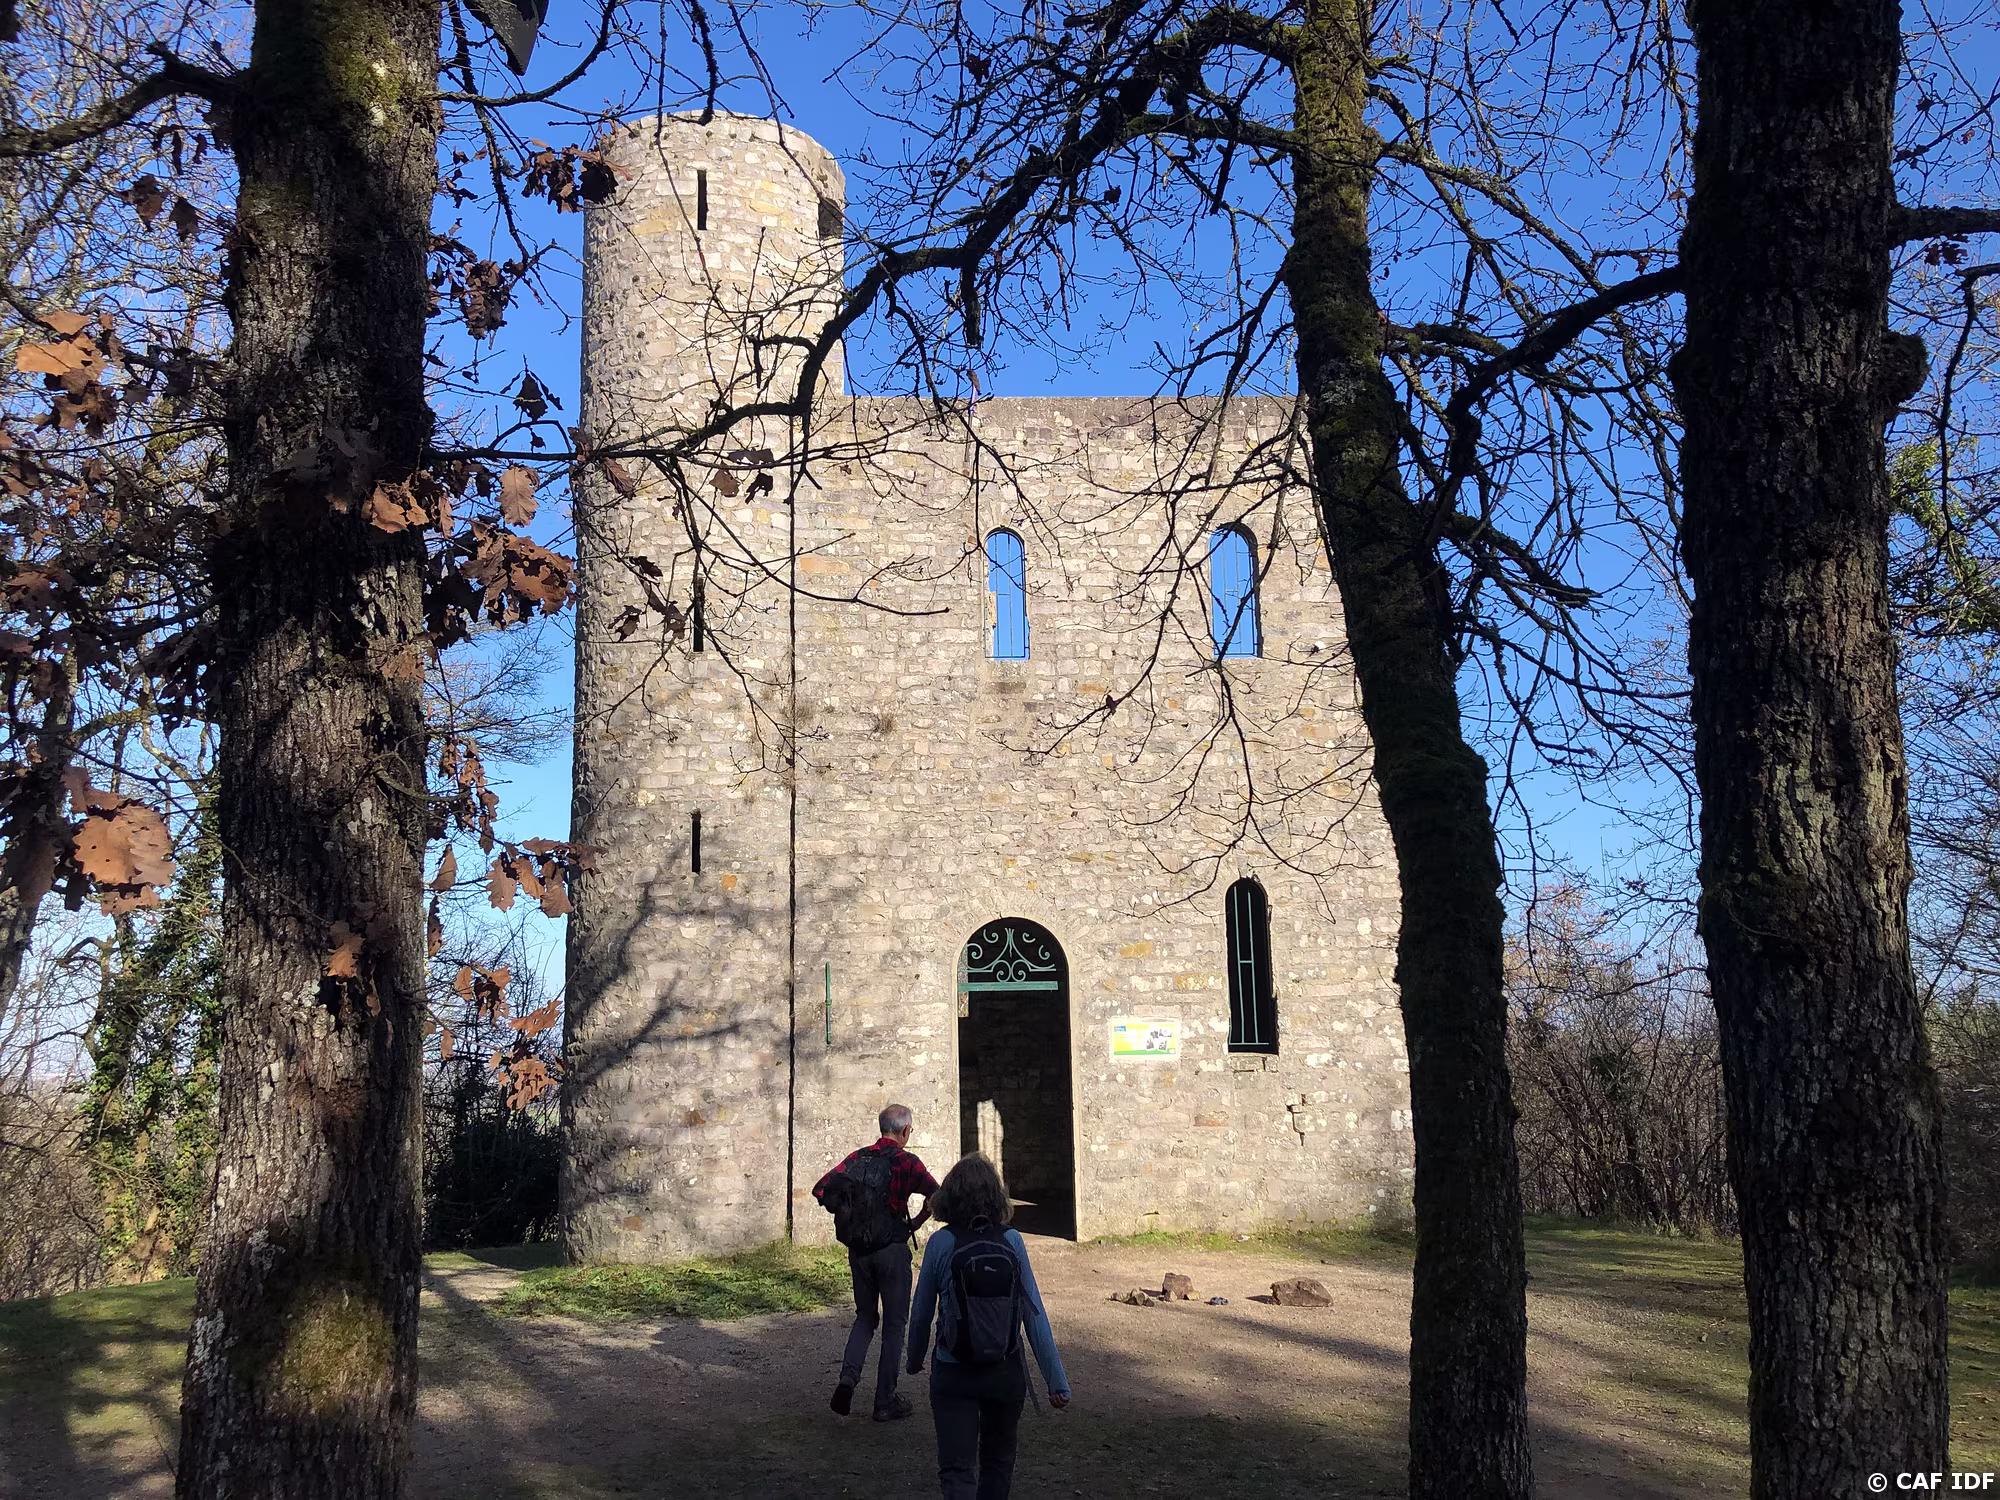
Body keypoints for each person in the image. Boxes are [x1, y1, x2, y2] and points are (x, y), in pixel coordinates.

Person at [906, 1153, 1071, 1500]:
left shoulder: (941, 1243)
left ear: (949, 1196)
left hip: (953, 1369)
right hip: (1005, 1370)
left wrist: (915, 1358)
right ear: (997, 1196)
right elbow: (1033, 1313)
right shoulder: (1012, 1241)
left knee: (957, 1470)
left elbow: (921, 1312)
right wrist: (1056, 1381)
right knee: (997, 1464)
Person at [813, 1102, 939, 1422]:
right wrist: (917, 1222)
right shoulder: (907, 1162)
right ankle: (885, 1401)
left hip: (859, 1252)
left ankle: (847, 1379)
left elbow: (821, 1189)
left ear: (881, 1128)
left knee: (865, 1318)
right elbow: (939, 1196)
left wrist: (851, 1212)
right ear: (906, 1130)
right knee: (894, 1325)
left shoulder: (857, 1159)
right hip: (892, 1251)